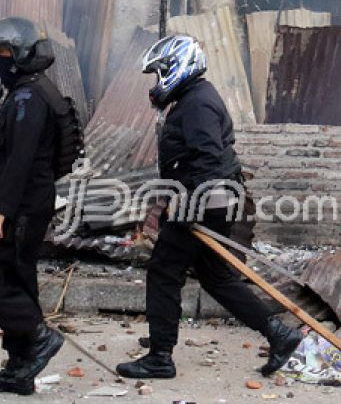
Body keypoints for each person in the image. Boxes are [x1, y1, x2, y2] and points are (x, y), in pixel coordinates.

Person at [116, 34, 303, 380]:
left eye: (161, 73)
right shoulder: (194, 97)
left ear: (180, 67)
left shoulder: (197, 104)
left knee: (163, 272)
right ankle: (279, 334)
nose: (158, 82)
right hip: (213, 200)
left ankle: (160, 356)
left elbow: (207, 160)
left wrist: (188, 207)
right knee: (216, 277)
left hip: (205, 201)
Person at [0, 17, 65, 395]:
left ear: (20, 54)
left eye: (2, 53)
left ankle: (37, 337)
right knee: (17, 280)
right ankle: (20, 369)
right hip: (26, 205)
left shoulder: (30, 98)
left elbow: (20, 159)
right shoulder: (28, 92)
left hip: (17, 210)